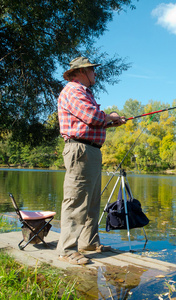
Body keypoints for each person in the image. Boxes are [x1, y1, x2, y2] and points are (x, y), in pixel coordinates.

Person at [57, 56, 125, 265]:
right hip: (80, 150)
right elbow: (92, 117)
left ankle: (88, 242)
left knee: (92, 200)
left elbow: (93, 122)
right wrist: (111, 116)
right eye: (92, 70)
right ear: (81, 72)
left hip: (91, 151)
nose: (95, 73)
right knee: (76, 200)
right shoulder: (73, 90)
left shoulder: (84, 93)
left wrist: (112, 123)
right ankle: (67, 250)